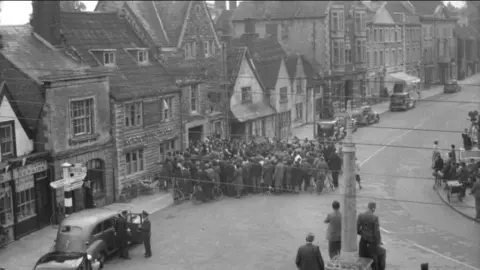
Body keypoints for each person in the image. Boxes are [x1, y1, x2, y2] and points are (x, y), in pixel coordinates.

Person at [357, 202, 385, 270]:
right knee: (381, 254)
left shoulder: (360, 215)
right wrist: (379, 242)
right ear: (373, 209)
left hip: (363, 242)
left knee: (362, 258)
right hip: (372, 242)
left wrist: (362, 233)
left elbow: (357, 229)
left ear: (368, 207)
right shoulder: (375, 217)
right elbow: (376, 232)